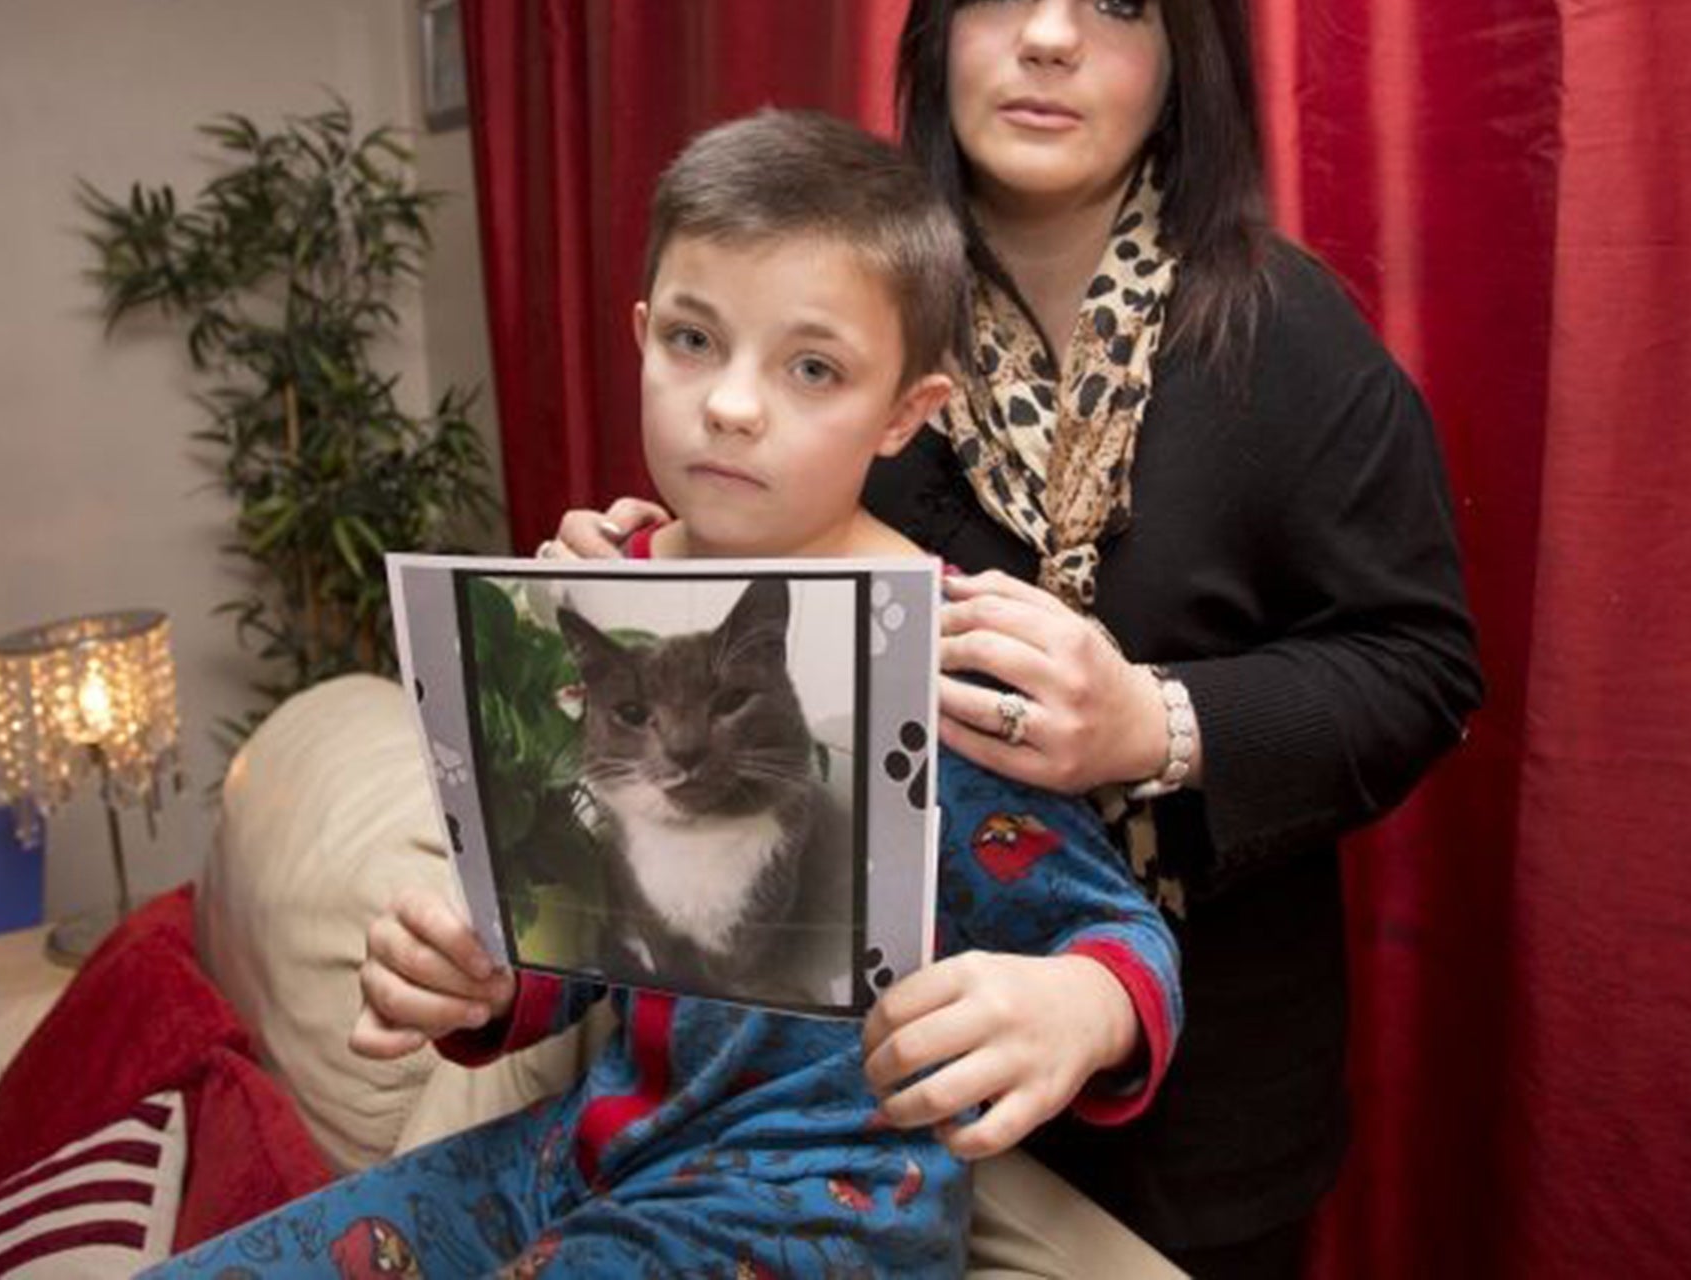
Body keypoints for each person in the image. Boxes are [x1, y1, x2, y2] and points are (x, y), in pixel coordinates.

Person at [556, 0, 1484, 1279]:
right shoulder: (846, 299)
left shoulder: (1287, 333)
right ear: (937, 32)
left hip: (1199, 1105)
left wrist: (1155, 723)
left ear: (1185, 61)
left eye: (1115, 0)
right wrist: (635, 565)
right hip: (844, 1108)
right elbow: (750, 593)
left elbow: (1423, 664)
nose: (1048, 39)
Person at [146, 110, 1182, 1279]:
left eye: (810, 368)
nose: (732, 405)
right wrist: (481, 982)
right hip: (579, 1149)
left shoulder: (949, 643)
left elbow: (1114, 931)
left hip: (819, 1199)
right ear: (641, 337)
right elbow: (577, 933)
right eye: (694, 341)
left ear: (904, 411)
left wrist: (1082, 1008)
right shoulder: (600, 596)